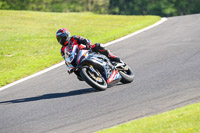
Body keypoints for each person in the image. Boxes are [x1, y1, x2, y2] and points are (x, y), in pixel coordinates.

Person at [56, 28, 121, 75]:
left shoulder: (74, 38)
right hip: (78, 61)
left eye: (62, 38)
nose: (61, 40)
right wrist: (70, 67)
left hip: (86, 52)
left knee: (98, 46)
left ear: (67, 36)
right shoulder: (62, 50)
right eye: (59, 39)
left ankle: (112, 57)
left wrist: (87, 43)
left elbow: (84, 40)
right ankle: (92, 75)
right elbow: (66, 60)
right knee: (77, 73)